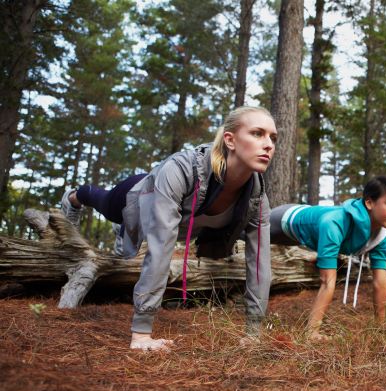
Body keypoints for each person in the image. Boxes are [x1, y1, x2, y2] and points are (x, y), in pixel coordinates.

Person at [60, 106, 276, 351]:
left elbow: (260, 263)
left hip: (179, 222)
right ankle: (75, 197)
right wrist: (141, 332)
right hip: (141, 195)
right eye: (257, 133)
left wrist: (254, 332)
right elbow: (162, 248)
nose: (268, 144)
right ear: (230, 140)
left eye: (272, 137)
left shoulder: (257, 197)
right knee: (107, 204)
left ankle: (122, 230)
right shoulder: (182, 170)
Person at [270, 176, 386, 341]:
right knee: (239, 233)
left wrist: (380, 327)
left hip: (301, 237)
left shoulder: (379, 235)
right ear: (369, 203)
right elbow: (326, 281)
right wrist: (312, 332)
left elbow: (380, 282)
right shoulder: (334, 223)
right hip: (283, 220)